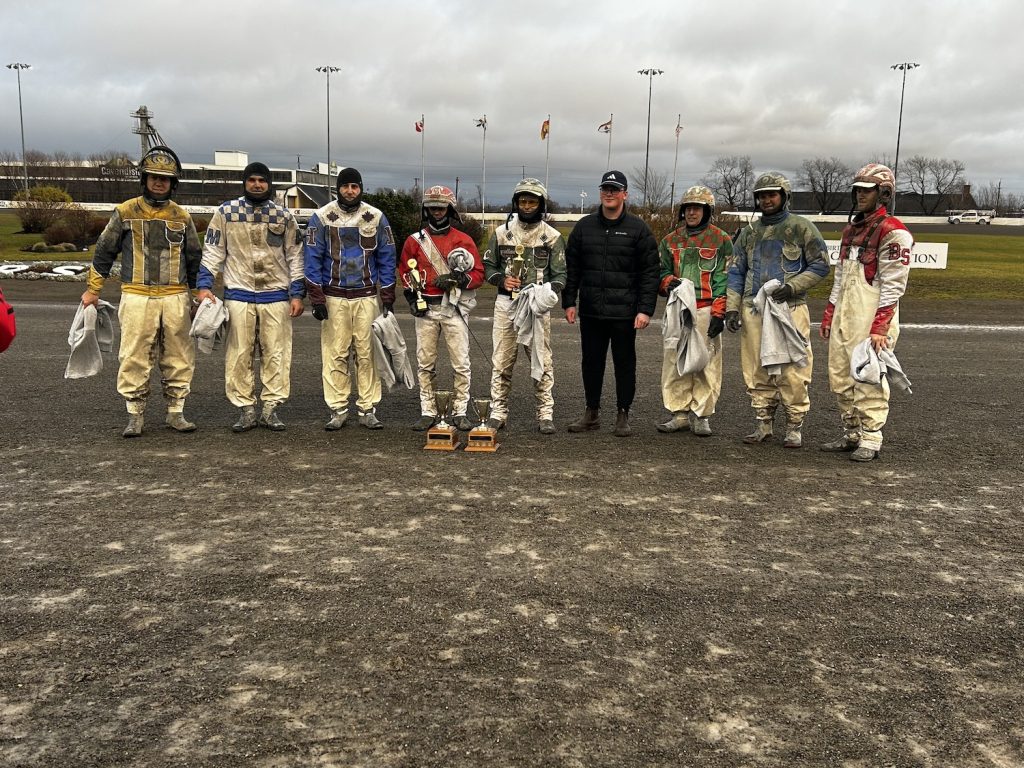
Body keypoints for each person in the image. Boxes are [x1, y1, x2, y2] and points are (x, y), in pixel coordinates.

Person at [80, 145, 202, 437]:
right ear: (144, 179)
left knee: (179, 355)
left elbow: (195, 259)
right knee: (134, 355)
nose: (159, 182)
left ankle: (176, 412)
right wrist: (92, 290)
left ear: (174, 183)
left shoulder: (182, 217)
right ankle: (135, 414)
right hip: (136, 295)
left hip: (174, 295)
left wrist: (200, 295)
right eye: (153, 177)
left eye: (165, 178)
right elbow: (103, 253)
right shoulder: (124, 212)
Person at [196, 162, 305, 432]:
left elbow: (295, 256)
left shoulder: (283, 216)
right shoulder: (226, 213)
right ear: (245, 183)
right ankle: (245, 409)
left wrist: (297, 293)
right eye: (252, 180)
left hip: (276, 295)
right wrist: (204, 285)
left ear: (269, 184)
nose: (257, 184)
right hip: (239, 294)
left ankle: (270, 409)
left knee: (277, 354)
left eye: (262, 180)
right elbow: (212, 251)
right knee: (238, 354)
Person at [726, 171, 829, 448]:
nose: (766, 200)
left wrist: (793, 286)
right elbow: (736, 272)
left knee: (793, 368)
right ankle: (763, 423)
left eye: (771, 194)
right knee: (757, 369)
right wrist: (732, 309)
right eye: (761, 196)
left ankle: (794, 425)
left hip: (790, 309)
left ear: (784, 196)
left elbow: (820, 264)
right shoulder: (748, 234)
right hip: (754, 311)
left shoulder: (801, 228)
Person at [820, 163, 913, 462]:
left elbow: (894, 286)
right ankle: (851, 432)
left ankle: (871, 438)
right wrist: (830, 312)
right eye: (857, 189)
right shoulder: (850, 230)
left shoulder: (894, 232)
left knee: (868, 375)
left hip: (871, 315)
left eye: (867, 190)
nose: (859, 195)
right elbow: (840, 278)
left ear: (883, 193)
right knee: (839, 374)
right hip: (846, 312)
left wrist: (880, 327)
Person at [562, 170, 659, 437]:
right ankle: (591, 413)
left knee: (624, 364)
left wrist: (645, 309)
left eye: (615, 189)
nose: (609, 193)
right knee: (591, 363)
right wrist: (569, 301)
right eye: (605, 188)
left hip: (625, 313)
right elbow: (573, 268)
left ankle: (623, 413)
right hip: (592, 311)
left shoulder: (638, 229)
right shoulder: (583, 227)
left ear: (625, 194)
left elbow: (650, 273)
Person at [304, 167, 397, 430]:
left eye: (354, 186)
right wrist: (317, 298)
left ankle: (368, 408)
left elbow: (387, 258)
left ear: (361, 188)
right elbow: (311, 258)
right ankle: (338, 408)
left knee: (367, 354)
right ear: (338, 188)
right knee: (335, 354)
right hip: (334, 297)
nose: (350, 191)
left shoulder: (376, 217)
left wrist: (387, 295)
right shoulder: (322, 217)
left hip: (366, 296)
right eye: (345, 186)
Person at [397, 185, 485, 432]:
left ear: (450, 208)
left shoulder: (463, 240)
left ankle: (459, 411)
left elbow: (478, 274)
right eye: (432, 207)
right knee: (425, 363)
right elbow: (405, 271)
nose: (437, 211)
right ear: (426, 209)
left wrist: (457, 279)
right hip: (426, 310)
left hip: (454, 309)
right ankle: (428, 410)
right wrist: (412, 298)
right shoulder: (414, 241)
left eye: (441, 206)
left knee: (461, 363)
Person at [483, 178, 567, 434]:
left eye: (532, 201)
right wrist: (501, 280)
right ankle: (498, 411)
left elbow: (561, 275)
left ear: (540, 204)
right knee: (501, 362)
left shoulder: (552, 237)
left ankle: (545, 413)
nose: (527, 205)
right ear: (516, 203)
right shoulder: (501, 234)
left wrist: (546, 293)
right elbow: (488, 266)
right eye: (523, 201)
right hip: (506, 305)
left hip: (536, 308)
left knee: (542, 361)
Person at [656, 185, 732, 436]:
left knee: (705, 363)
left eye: (697, 208)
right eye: (688, 208)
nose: (692, 213)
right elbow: (660, 271)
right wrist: (669, 282)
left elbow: (724, 278)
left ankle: (702, 415)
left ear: (707, 211)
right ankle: (678, 414)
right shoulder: (670, 240)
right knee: (673, 361)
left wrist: (719, 313)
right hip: (677, 308)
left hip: (706, 309)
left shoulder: (721, 240)